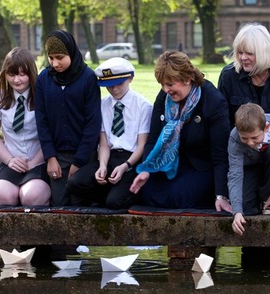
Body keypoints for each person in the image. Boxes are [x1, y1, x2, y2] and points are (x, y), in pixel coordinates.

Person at [129, 51, 232, 212]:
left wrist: (221, 195)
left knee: (177, 197)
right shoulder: (164, 98)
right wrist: (147, 169)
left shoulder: (213, 102)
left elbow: (221, 154)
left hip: (201, 165)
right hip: (171, 162)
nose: (165, 90)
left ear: (187, 78)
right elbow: (153, 138)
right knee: (146, 193)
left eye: (170, 84)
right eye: (162, 85)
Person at [67, 57, 152, 209]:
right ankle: (109, 192)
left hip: (131, 159)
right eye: (109, 86)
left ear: (130, 79)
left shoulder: (143, 106)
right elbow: (104, 142)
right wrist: (102, 165)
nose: (115, 89)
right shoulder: (103, 104)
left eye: (119, 83)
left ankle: (125, 193)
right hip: (110, 156)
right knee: (74, 183)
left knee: (114, 203)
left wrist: (125, 166)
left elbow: (142, 145)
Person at [35, 29, 102, 206]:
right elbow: (41, 121)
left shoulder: (88, 78)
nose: (55, 63)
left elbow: (93, 122)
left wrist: (79, 161)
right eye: (51, 58)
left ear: (71, 52)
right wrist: (50, 158)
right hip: (57, 157)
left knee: (81, 203)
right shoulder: (44, 79)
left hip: (85, 155)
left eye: (60, 57)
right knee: (60, 203)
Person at [0, 47, 51, 206]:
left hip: (39, 162)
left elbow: (52, 134)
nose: (17, 80)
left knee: (31, 196)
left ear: (31, 73)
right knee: (2, 195)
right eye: (12, 74)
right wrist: (9, 160)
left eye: (22, 74)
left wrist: (34, 162)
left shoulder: (44, 97)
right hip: (12, 162)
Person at [217, 22, 270, 127]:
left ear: (264, 52)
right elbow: (222, 121)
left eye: (249, 53)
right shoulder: (228, 76)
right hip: (241, 140)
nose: (243, 58)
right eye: (240, 52)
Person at [228, 103, 270, 236]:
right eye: (244, 138)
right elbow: (235, 174)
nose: (250, 143)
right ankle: (259, 199)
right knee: (246, 208)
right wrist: (237, 212)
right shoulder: (234, 137)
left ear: (266, 128)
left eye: (254, 137)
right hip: (252, 168)